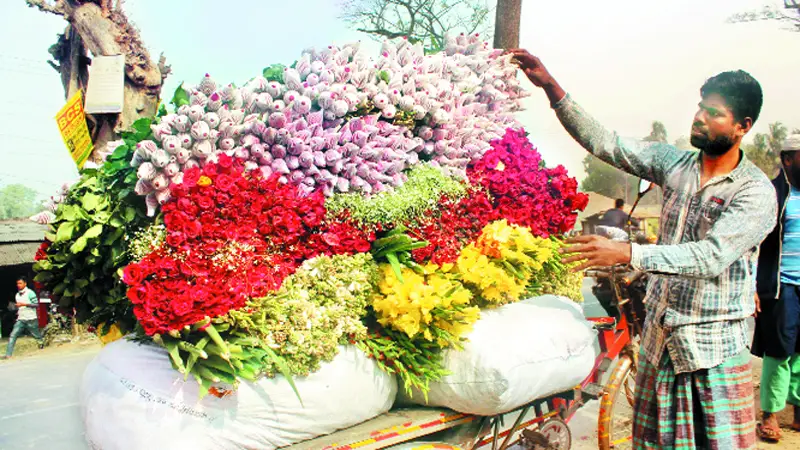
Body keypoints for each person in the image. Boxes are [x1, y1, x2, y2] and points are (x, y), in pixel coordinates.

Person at [510, 49, 776, 449]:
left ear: (743, 126)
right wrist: (551, 87)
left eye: (715, 112)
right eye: (701, 107)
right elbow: (607, 143)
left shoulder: (754, 192)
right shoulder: (674, 164)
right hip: (659, 341)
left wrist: (629, 253)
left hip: (711, 349)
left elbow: (711, 256)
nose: (700, 117)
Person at [751, 134, 800, 442]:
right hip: (782, 285)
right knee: (779, 350)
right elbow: (752, 242)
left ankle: (798, 411)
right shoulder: (773, 194)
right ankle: (769, 414)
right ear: (787, 159)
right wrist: (752, 285)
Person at [2, 277, 44, 359]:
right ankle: (8, 354)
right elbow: (19, 306)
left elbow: (36, 304)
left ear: (25, 283)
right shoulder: (17, 295)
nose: (19, 285)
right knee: (13, 335)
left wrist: (24, 304)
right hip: (21, 319)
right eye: (17, 284)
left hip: (31, 318)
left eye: (20, 283)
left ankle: (41, 345)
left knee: (36, 335)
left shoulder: (30, 293)